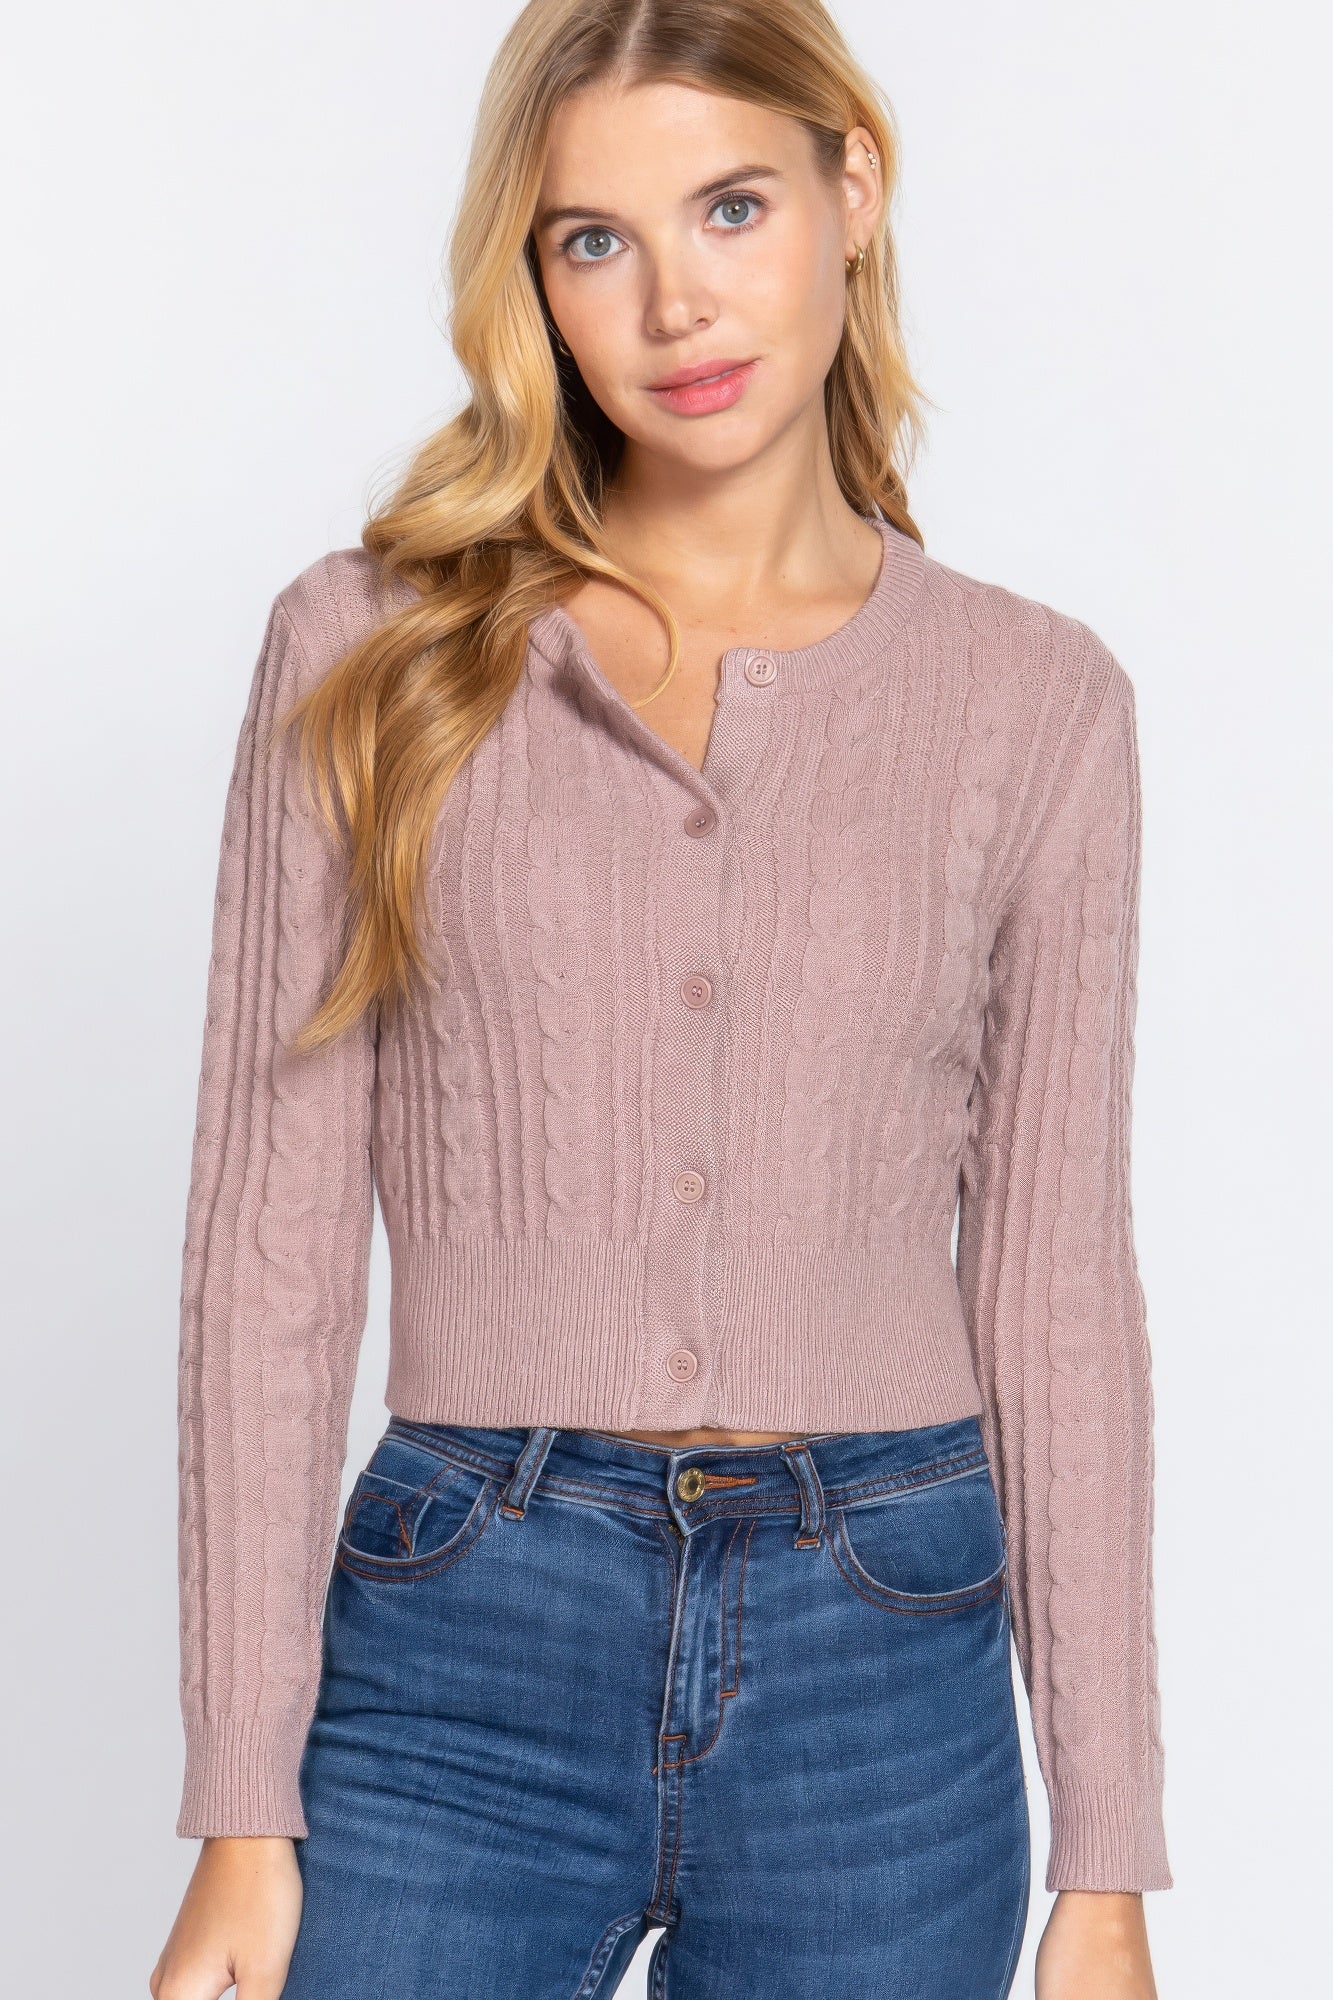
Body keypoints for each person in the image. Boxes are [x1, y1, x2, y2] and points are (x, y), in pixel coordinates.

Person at [149, 3, 1172, 1996]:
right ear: (529, 278)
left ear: (850, 189)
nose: (673, 304)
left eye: (731, 207)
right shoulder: (365, 650)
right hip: (462, 1624)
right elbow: (267, 1255)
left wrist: (1109, 1861)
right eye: (593, 240)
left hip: (885, 1663)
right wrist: (239, 1809)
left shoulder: (1034, 701)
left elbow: (1055, 1284)